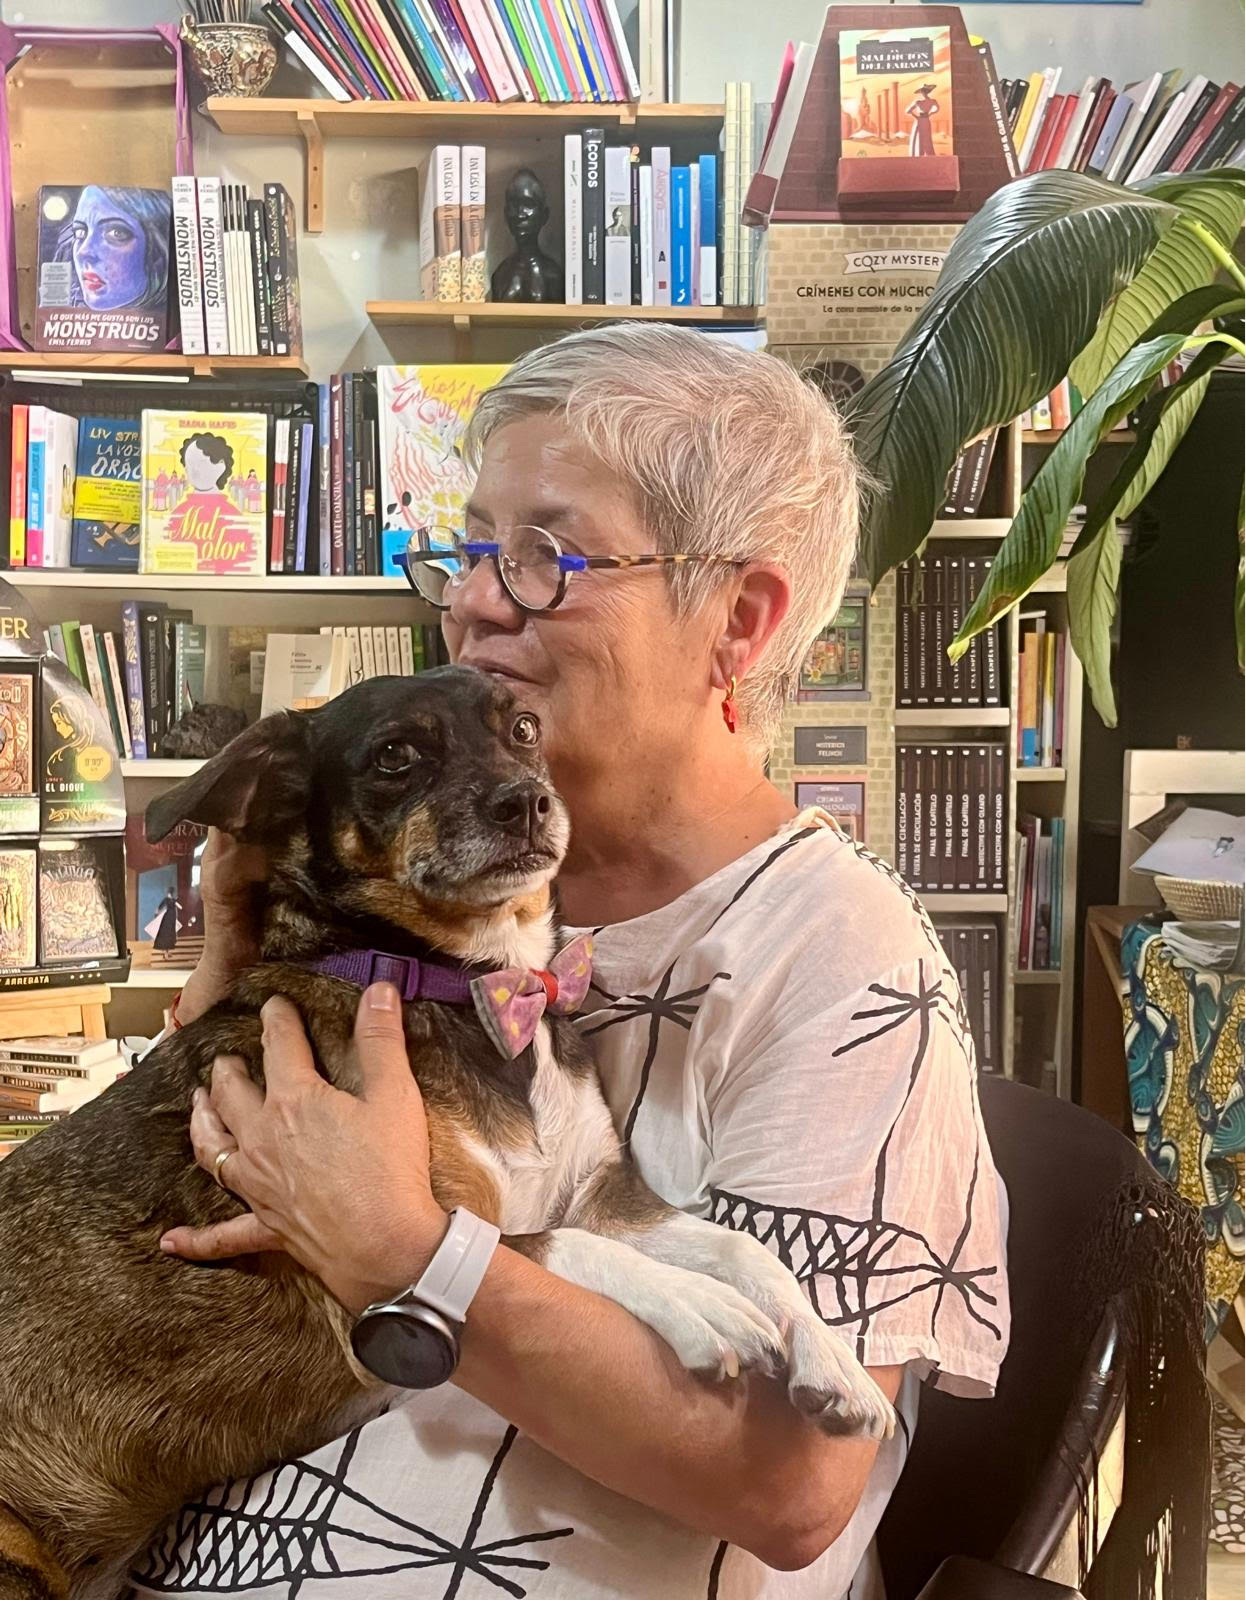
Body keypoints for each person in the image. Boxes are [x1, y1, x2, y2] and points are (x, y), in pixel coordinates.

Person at [138, 324, 1009, 1600]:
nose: (478, 599)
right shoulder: (436, 892)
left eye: (550, 553)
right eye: (475, 548)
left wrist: (411, 1256)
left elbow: (795, 1480)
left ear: (740, 619)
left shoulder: (833, 953)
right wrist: (229, 966)